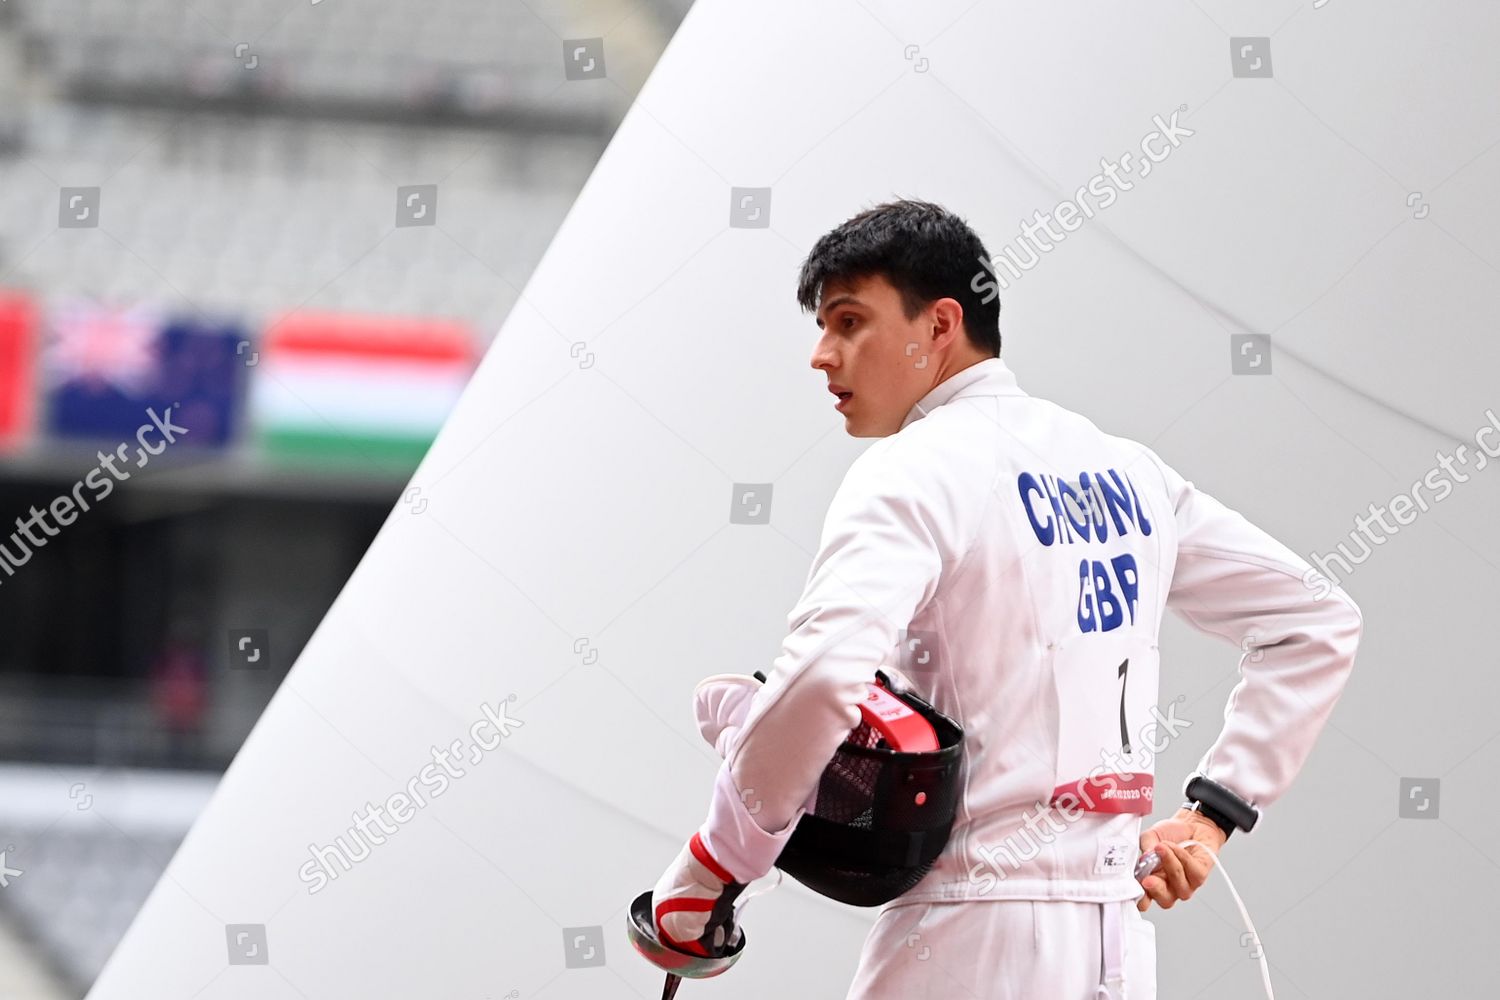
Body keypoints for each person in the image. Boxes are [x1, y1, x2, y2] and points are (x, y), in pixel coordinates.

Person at [649, 199, 1362, 999]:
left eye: (850, 323)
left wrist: (715, 865)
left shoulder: (914, 467)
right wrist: (1217, 811)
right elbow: (1316, 619)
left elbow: (819, 678)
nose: (822, 355)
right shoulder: (1129, 472)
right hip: (1116, 946)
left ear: (940, 326)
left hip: (967, 937)